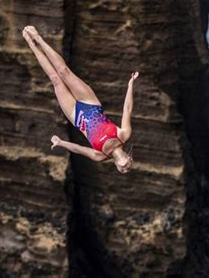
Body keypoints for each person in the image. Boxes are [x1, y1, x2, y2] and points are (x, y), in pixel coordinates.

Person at [22, 26, 138, 174]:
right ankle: (38, 39)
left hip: (77, 117)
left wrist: (61, 143)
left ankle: (31, 44)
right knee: (64, 72)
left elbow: (78, 149)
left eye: (123, 171)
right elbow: (127, 109)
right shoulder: (124, 135)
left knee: (55, 79)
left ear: (116, 166)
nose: (125, 169)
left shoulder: (100, 156)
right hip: (91, 104)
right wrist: (130, 84)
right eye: (128, 167)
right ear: (130, 159)